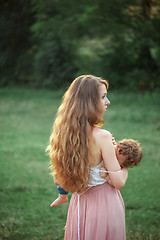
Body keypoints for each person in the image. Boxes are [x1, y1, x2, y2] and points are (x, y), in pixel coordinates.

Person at [47, 75, 128, 240]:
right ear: (89, 102)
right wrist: (125, 165)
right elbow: (118, 183)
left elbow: (58, 180)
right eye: (103, 97)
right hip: (105, 206)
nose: (108, 102)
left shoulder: (62, 136)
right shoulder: (103, 137)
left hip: (79, 206)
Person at [50, 138, 142, 207]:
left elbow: (117, 184)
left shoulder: (120, 168)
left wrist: (106, 177)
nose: (113, 158)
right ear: (117, 146)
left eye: (117, 160)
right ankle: (62, 197)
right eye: (115, 153)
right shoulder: (107, 148)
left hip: (97, 195)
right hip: (81, 184)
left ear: (124, 165)